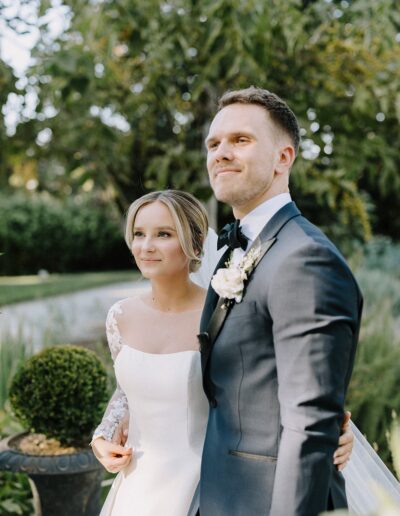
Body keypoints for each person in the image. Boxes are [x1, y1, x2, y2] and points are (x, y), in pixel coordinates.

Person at [91, 187, 353, 516]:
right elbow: (125, 393)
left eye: (163, 234)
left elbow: (271, 389)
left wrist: (333, 434)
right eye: (139, 234)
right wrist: (103, 435)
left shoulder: (222, 313)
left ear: (196, 244)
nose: (146, 246)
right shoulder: (120, 317)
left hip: (204, 486)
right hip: (137, 486)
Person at [197, 87, 363, 515]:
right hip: (222, 493)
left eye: (241, 140)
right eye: (214, 144)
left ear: (283, 158)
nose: (221, 153)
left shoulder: (305, 258)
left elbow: (310, 424)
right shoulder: (236, 249)